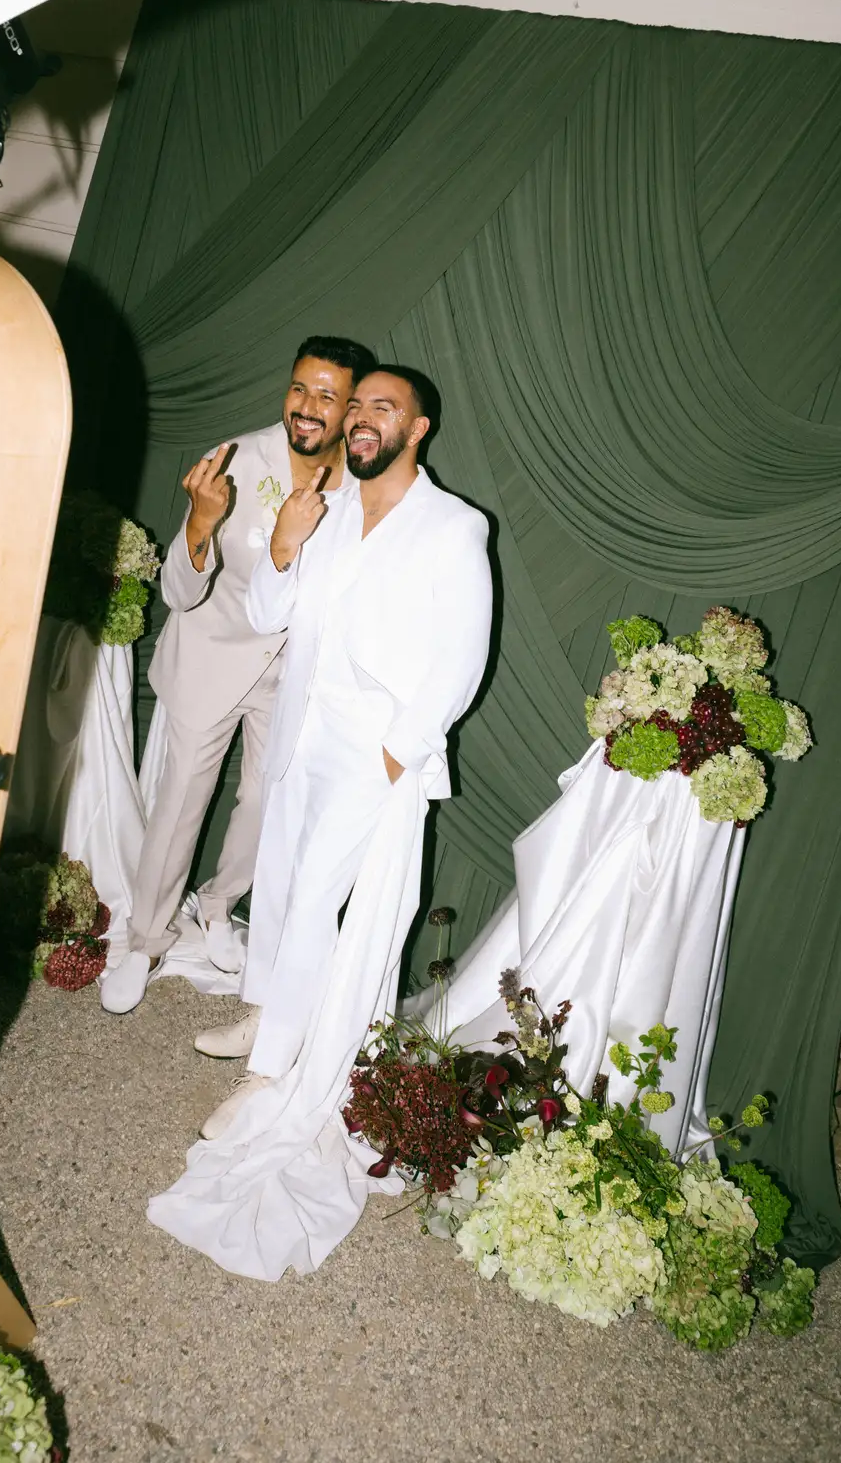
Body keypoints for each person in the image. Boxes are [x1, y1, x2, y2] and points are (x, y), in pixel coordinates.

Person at [148, 366, 493, 1279]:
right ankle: (268, 1020)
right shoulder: (325, 507)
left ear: (418, 429)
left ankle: (275, 1074)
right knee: (286, 885)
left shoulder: (455, 528)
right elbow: (270, 613)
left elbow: (462, 657)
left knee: (314, 912)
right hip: (304, 729)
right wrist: (288, 545)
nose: (365, 420)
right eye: (360, 407)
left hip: (373, 752)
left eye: (386, 408)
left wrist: (398, 752)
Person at [101, 335, 376, 1015]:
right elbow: (179, 594)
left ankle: (219, 905)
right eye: (299, 389)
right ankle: (144, 938)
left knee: (266, 804)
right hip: (212, 655)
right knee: (180, 805)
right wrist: (200, 523)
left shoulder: (365, 489)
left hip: (291, 679)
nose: (307, 407)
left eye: (327, 396)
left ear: (351, 411)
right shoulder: (234, 461)